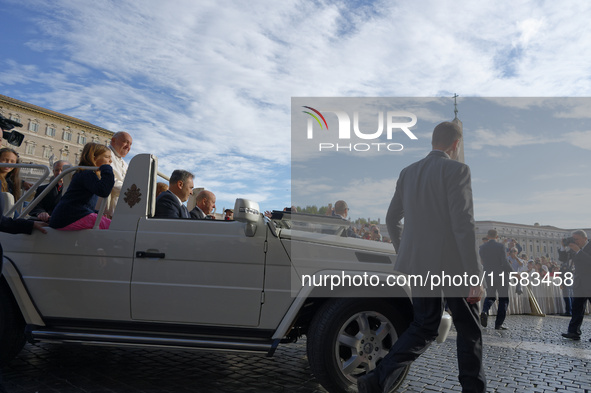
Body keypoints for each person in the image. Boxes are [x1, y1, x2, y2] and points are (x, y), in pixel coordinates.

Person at [357, 121, 486, 393]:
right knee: (469, 329)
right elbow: (463, 224)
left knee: (425, 326)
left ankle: (376, 379)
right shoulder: (458, 169)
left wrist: (404, 250)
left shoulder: (408, 172)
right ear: (456, 144)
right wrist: (475, 274)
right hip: (453, 264)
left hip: (420, 263)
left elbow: (392, 219)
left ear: (432, 141)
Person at [49, 143, 114, 230]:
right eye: (107, 157)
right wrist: (107, 170)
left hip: (69, 216)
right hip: (70, 217)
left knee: (108, 223)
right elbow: (103, 191)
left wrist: (97, 213)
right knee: (113, 227)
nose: (110, 161)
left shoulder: (84, 173)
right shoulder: (86, 173)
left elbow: (83, 203)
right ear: (94, 157)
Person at [561, 230, 591, 342]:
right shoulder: (575, 249)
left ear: (584, 238)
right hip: (579, 283)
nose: (575, 241)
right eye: (573, 239)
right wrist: (563, 247)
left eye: (576, 239)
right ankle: (573, 332)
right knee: (577, 308)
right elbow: (563, 259)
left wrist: (578, 251)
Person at [480, 229, 512, 330]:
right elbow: (504, 262)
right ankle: (498, 324)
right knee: (503, 299)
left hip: (489, 275)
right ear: (497, 236)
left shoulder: (482, 247)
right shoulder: (501, 246)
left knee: (490, 296)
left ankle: (485, 311)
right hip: (501, 275)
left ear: (488, 236)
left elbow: (482, 262)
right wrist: (513, 272)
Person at [105, 131, 132, 217]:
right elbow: (107, 179)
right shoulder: (104, 154)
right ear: (113, 140)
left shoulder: (125, 164)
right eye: (126, 142)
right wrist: (130, 190)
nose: (128, 147)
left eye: (130, 144)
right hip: (106, 208)